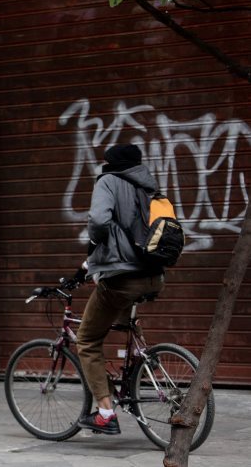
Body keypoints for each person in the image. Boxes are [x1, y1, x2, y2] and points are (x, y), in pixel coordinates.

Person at [76, 143, 165, 435]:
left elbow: (100, 221)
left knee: (87, 339)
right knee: (123, 325)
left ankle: (104, 413)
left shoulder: (108, 181)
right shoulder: (149, 187)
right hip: (153, 275)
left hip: (121, 277)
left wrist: (94, 247)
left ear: (110, 162)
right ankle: (143, 365)